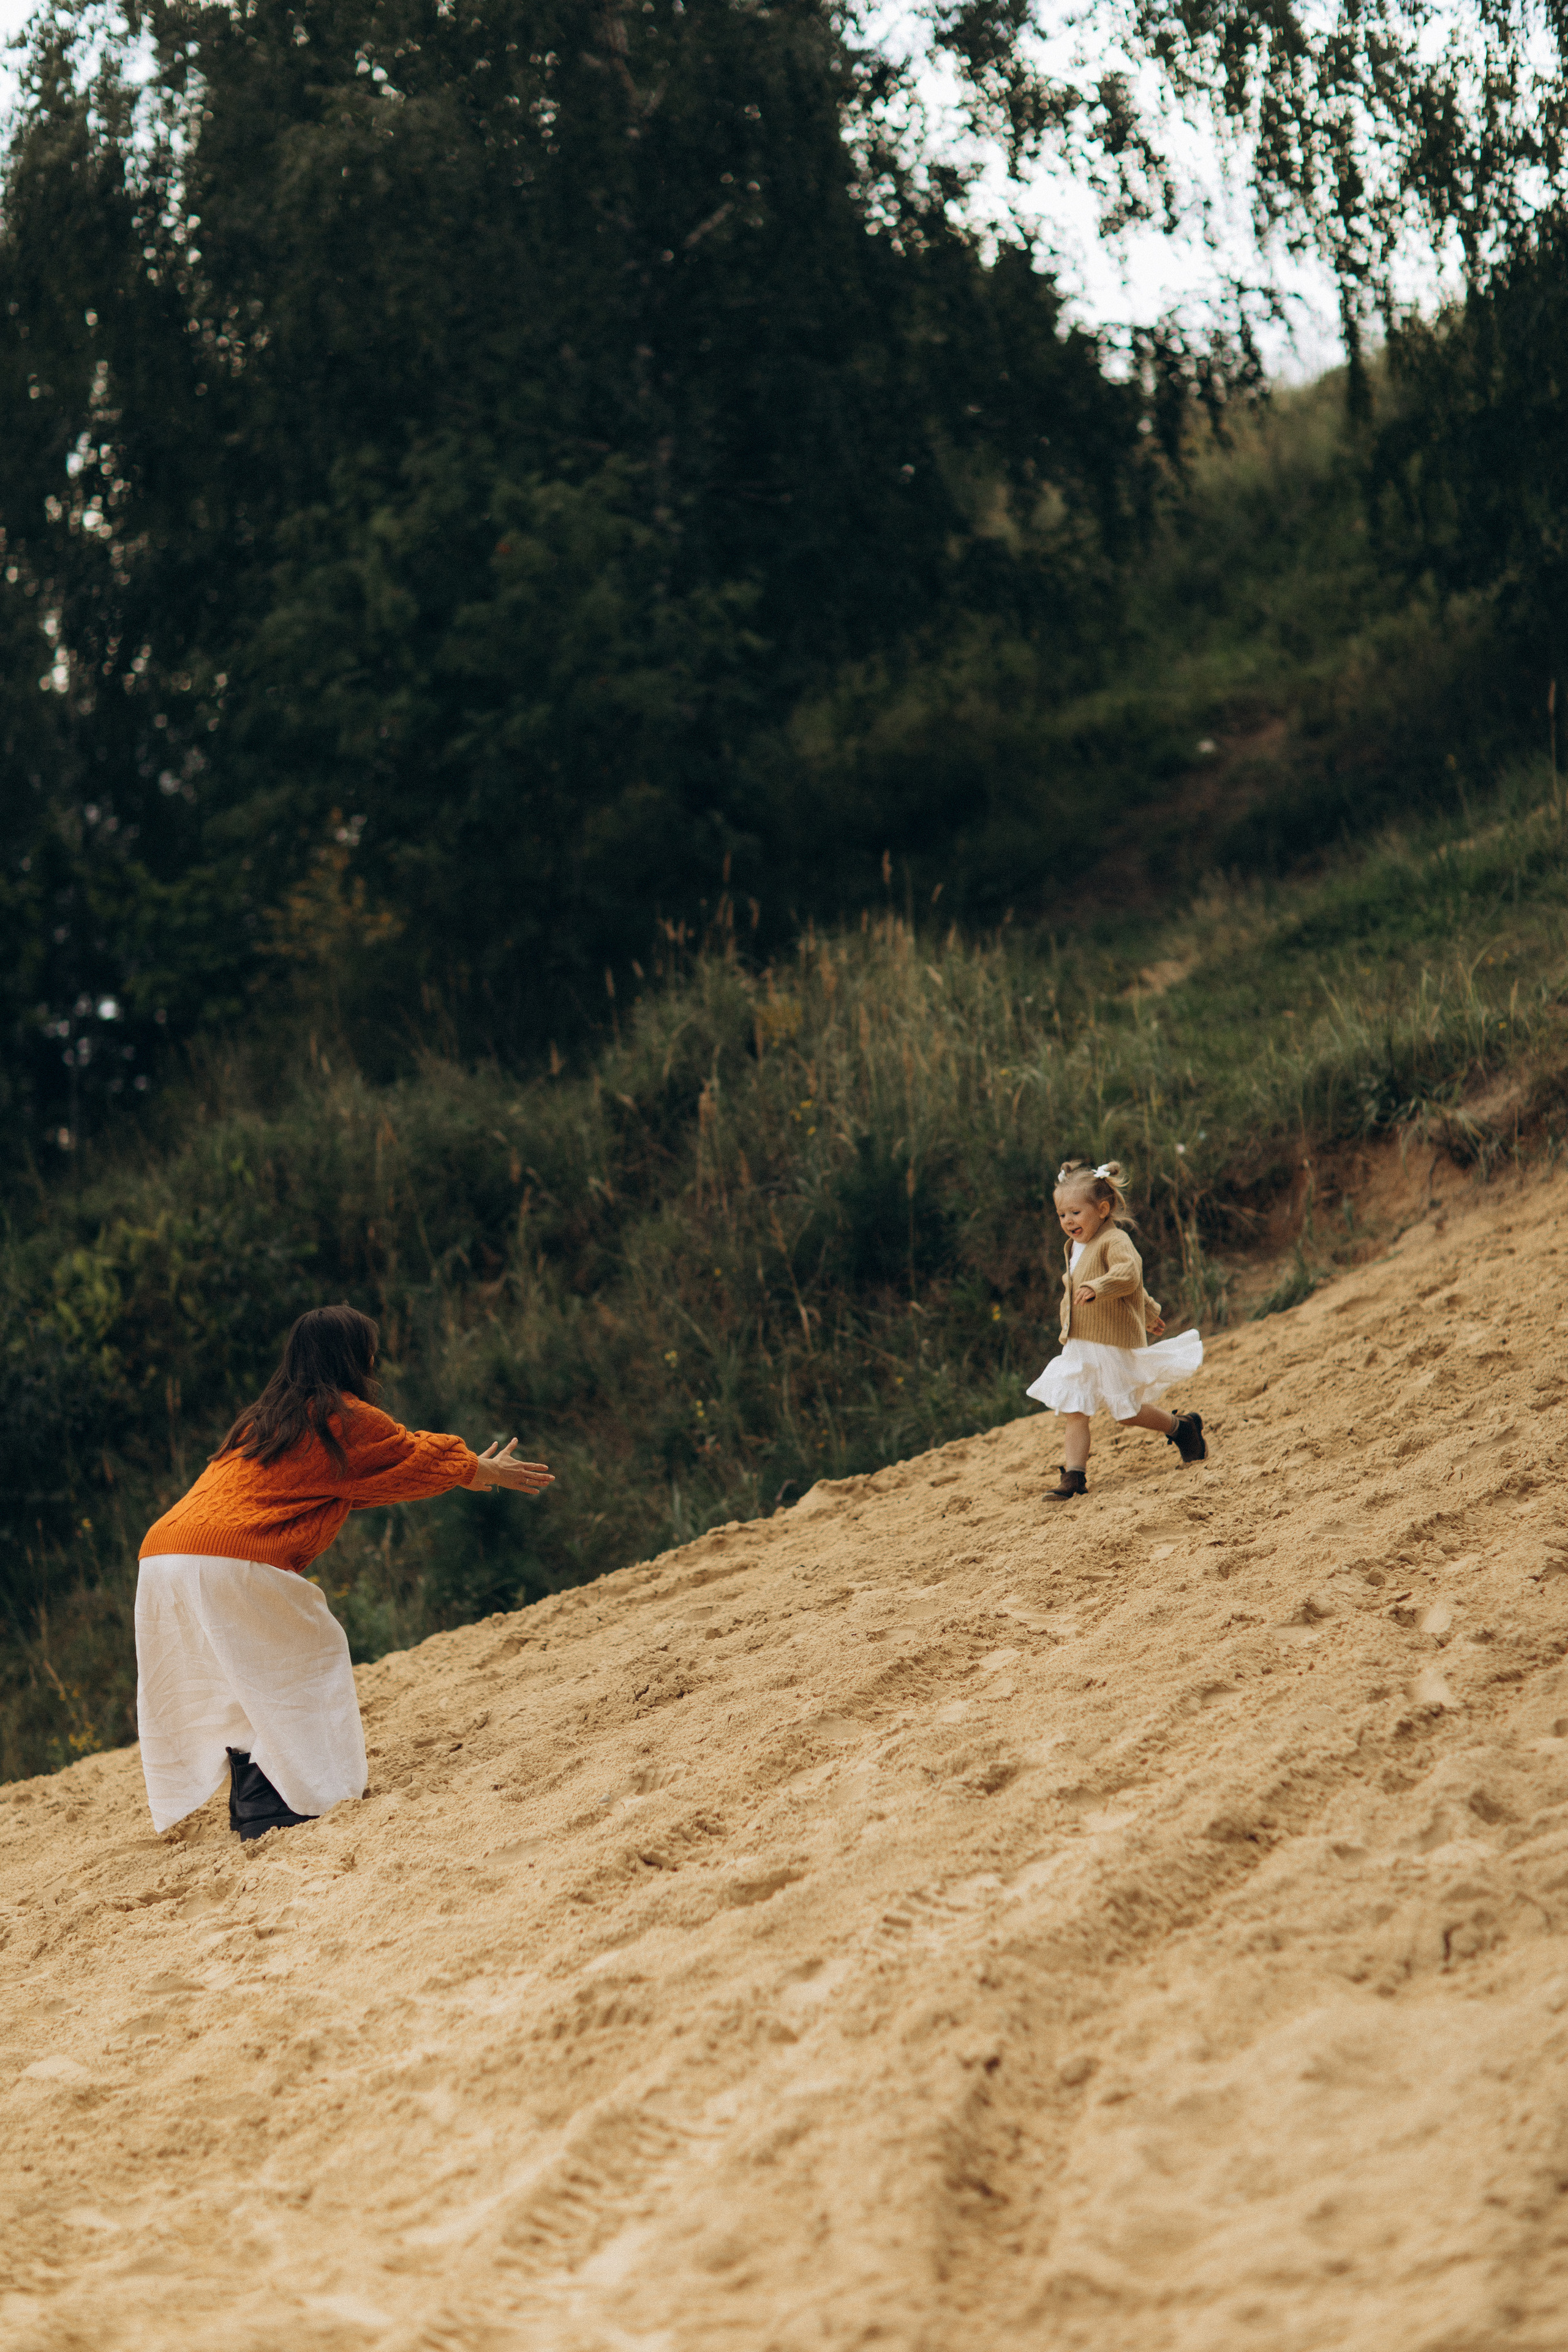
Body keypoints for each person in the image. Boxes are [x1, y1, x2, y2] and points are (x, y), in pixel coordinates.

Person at [135, 1303, 552, 1840]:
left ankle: (253, 1798)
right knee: (306, 1660)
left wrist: (461, 1470)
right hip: (227, 1555)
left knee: (242, 1675)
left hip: (164, 1554)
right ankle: (273, 1803)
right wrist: (475, 1468)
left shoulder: (264, 1421)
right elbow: (407, 1456)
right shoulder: (342, 1417)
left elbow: (363, 1482)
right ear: (355, 1357)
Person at [1026, 1159, 1207, 1501]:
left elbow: (1129, 1276)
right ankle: (1075, 1476)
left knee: (1127, 1413)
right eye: (1062, 1215)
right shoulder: (1075, 1247)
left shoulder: (1114, 1240)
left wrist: (1100, 1287)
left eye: (1076, 1213)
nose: (1068, 1222)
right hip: (1080, 1343)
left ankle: (1182, 1428)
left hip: (1110, 1342)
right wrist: (1147, 1309)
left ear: (1103, 1209)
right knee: (1075, 1408)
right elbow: (1126, 1288)